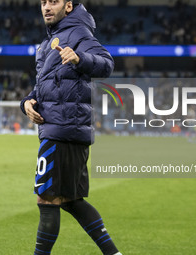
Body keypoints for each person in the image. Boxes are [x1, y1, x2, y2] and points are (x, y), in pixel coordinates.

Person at [20, 1, 122, 254]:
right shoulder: (48, 43)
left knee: (46, 198)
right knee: (71, 200)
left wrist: (80, 58)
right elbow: (44, 84)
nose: (46, 7)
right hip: (63, 127)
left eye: (53, 1)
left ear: (68, 6)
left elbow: (106, 63)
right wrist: (27, 102)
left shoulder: (78, 33)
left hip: (62, 128)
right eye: (43, 2)